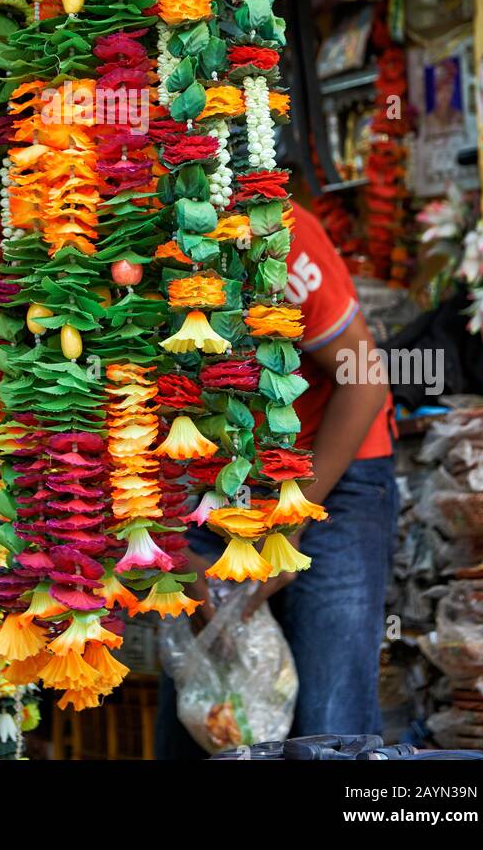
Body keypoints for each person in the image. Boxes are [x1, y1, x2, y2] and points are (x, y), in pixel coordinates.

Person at [156, 202, 399, 758]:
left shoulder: (277, 231)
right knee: (209, 716)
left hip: (333, 468)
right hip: (210, 480)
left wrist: (292, 521)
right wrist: (168, 547)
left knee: (330, 718)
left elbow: (364, 379)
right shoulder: (128, 245)